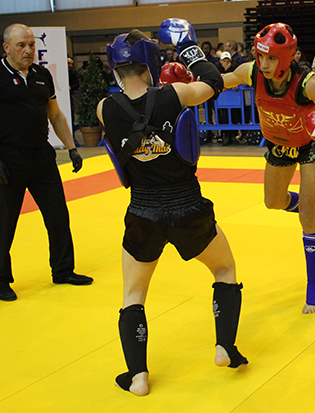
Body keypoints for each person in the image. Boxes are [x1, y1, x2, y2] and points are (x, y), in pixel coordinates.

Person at [97, 23, 247, 396]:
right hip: (188, 207)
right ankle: (224, 347)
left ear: (114, 67)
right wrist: (188, 46)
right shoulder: (175, 95)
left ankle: (138, 377)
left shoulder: (104, 109)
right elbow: (213, 82)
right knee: (224, 269)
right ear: (148, 62)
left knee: (134, 295)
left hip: (142, 212)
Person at [223, 23, 315, 314]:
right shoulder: (251, 72)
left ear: (288, 57)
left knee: (305, 216)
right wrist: (186, 83)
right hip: (278, 143)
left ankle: (314, 285)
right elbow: (222, 81)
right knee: (273, 202)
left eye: (272, 58)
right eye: (261, 56)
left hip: (310, 145)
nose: (265, 63)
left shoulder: (307, 83)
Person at [0, 24, 92, 302]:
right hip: (8, 159)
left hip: (41, 156)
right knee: (5, 223)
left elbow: (55, 113)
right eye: (21, 46)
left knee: (58, 215)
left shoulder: (41, 74)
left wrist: (72, 147)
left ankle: (63, 270)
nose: (28, 50)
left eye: (31, 45)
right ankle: (1, 279)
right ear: (6, 48)